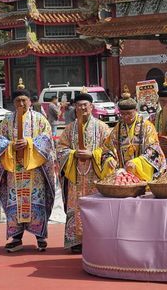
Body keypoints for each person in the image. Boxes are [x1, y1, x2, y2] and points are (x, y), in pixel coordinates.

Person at [0, 80, 57, 253]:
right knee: (14, 202)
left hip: (34, 171)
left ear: (30, 101)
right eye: (18, 101)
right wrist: (11, 145)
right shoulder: (7, 121)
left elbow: (47, 140)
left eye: (24, 100)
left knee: (37, 201)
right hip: (14, 171)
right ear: (13, 103)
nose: (21, 104)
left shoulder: (39, 120)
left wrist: (29, 143)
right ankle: (16, 237)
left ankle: (40, 236)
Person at [56, 89, 111, 253]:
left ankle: (96, 239)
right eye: (79, 106)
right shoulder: (69, 128)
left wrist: (93, 154)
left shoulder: (102, 128)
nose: (82, 108)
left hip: (95, 174)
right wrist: (72, 154)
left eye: (85, 105)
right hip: (76, 176)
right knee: (76, 205)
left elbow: (110, 151)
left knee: (95, 206)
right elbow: (60, 149)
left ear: (91, 106)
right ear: (75, 108)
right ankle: (76, 240)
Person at [100, 86, 166, 182]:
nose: (126, 117)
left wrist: (137, 162)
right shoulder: (117, 129)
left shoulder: (147, 126)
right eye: (122, 114)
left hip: (140, 172)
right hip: (123, 176)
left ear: (136, 110)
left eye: (129, 113)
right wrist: (109, 159)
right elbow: (107, 148)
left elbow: (154, 149)